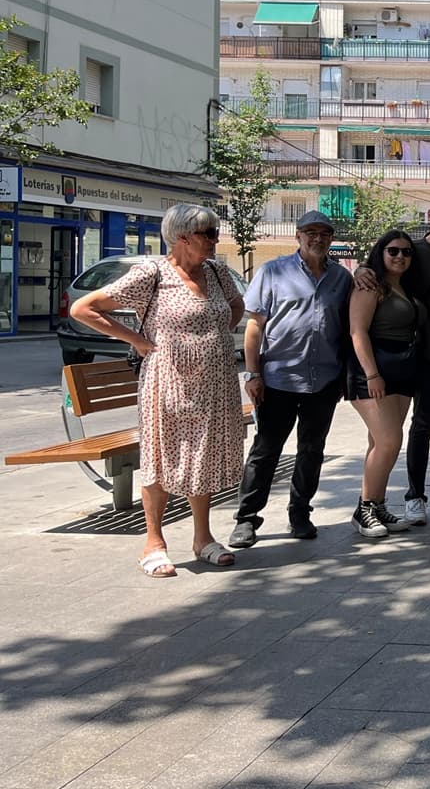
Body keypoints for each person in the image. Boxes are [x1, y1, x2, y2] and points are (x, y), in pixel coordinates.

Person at [70, 204, 245, 577]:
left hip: (214, 383)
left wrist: (213, 337)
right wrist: (136, 339)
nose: (215, 240)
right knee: (161, 457)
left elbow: (236, 304)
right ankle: (154, 542)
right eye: (207, 234)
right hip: (168, 381)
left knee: (204, 455)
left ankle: (203, 539)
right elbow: (84, 309)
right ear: (182, 237)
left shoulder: (215, 272)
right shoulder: (151, 274)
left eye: (215, 232)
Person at [354, 193, 430, 526]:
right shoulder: (412, 252)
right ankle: (414, 496)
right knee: (420, 428)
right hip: (424, 355)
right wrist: (362, 270)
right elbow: (383, 267)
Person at [230, 211, 352, 549]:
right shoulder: (273, 271)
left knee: (312, 450)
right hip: (278, 379)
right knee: (266, 450)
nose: (318, 239)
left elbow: (345, 329)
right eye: (310, 232)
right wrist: (253, 373)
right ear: (298, 236)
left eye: (324, 233)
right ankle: (246, 519)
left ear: (331, 239)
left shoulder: (341, 279)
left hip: (324, 381)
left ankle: (300, 513)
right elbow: (255, 327)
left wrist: (343, 375)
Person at [345, 230, 422, 539]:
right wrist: (372, 374)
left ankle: (376, 505)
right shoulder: (369, 286)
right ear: (381, 252)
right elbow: (357, 332)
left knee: (380, 444)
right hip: (374, 370)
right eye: (393, 251)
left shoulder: (405, 287)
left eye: (406, 252)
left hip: (404, 369)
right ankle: (363, 509)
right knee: (390, 440)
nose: (400, 256)